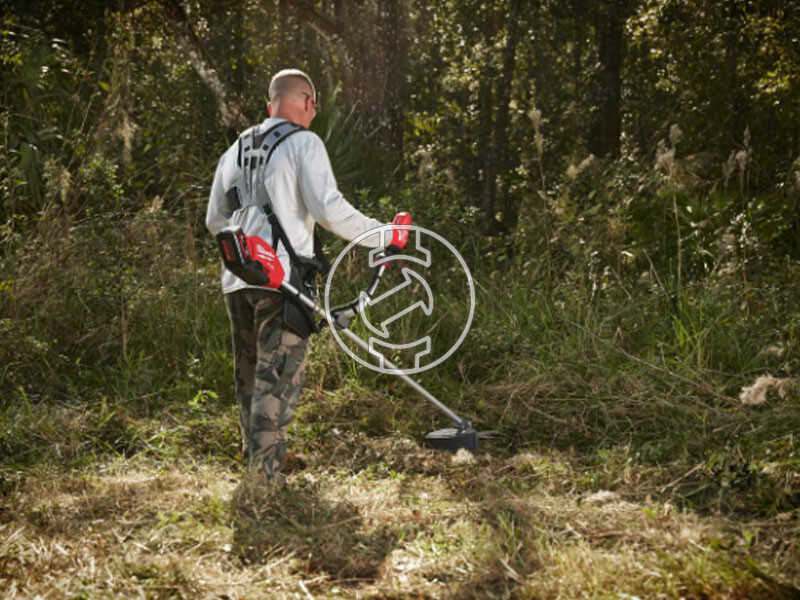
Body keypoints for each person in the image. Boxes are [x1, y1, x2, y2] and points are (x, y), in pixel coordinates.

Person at [206, 68, 406, 486]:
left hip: (237, 278)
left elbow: (214, 220)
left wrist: (248, 241)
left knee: (249, 374)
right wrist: (385, 235)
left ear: (269, 105)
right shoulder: (304, 143)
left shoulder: (236, 149)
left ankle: (255, 462)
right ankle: (263, 478)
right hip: (281, 281)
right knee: (275, 378)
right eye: (314, 106)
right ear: (309, 103)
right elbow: (331, 210)